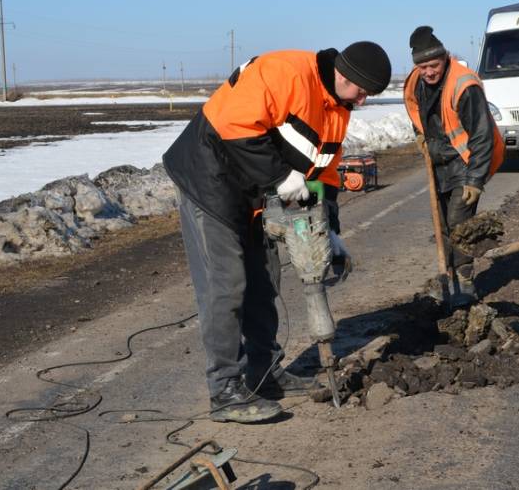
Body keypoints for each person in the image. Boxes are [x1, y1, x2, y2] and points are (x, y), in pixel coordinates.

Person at [163, 42, 391, 423]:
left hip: (256, 196)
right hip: (209, 180)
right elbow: (233, 125)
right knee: (227, 284)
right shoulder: (285, 72)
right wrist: (280, 176)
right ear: (343, 76)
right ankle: (225, 389)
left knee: (265, 279)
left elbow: (325, 172)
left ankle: (264, 373)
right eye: (362, 92)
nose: (364, 102)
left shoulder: (338, 107)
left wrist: (330, 230)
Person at [403, 26, 505, 306]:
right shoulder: (415, 81)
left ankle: (466, 283)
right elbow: (413, 107)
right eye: (423, 67)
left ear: (446, 57)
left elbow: (482, 136)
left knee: (460, 225)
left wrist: (475, 180)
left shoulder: (464, 85)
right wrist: (420, 134)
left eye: (433, 65)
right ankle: (447, 277)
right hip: (438, 163)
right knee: (444, 226)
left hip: (465, 161)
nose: (429, 72)